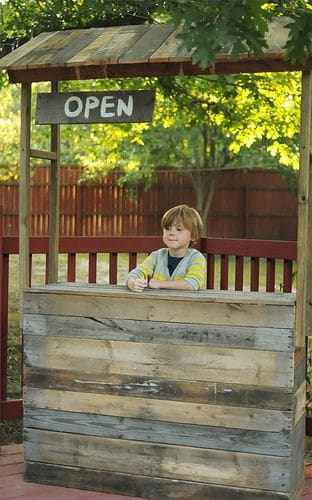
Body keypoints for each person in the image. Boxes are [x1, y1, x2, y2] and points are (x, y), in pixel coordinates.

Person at [126, 204, 206, 292]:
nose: (171, 233)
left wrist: (160, 284)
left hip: (186, 304)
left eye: (179, 229)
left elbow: (192, 283)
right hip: (156, 304)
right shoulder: (157, 256)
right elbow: (137, 273)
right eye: (167, 228)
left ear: (193, 236)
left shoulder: (196, 258)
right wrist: (132, 283)